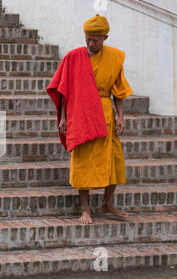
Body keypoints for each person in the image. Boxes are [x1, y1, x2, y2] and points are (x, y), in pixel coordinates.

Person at [47, 14, 133, 224]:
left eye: (95, 39)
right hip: (80, 113)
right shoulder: (74, 57)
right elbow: (64, 90)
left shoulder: (115, 58)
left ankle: (107, 202)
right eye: (87, 39)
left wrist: (121, 116)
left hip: (105, 115)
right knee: (83, 162)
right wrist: (64, 118)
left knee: (115, 162)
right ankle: (85, 209)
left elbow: (118, 92)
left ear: (105, 37)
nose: (90, 43)